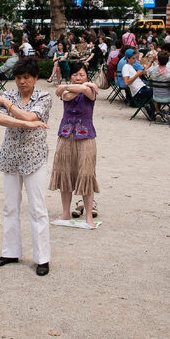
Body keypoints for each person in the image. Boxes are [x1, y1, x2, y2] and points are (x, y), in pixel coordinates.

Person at [0, 57, 52, 276]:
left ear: (35, 78)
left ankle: (42, 258)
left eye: (26, 78)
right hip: (10, 155)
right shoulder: (9, 94)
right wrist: (26, 123)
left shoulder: (43, 96)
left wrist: (9, 107)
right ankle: (10, 251)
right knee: (10, 206)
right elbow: (1, 120)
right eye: (18, 78)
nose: (22, 82)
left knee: (37, 208)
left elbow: (30, 114)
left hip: (34, 157)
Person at [49, 63, 99, 228]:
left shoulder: (89, 91)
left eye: (82, 75)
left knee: (86, 174)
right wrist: (83, 86)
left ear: (87, 76)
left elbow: (87, 93)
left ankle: (89, 218)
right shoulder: (71, 90)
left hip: (86, 136)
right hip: (66, 134)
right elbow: (64, 95)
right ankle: (65, 213)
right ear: (70, 76)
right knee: (65, 174)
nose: (78, 77)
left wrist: (82, 87)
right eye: (75, 75)